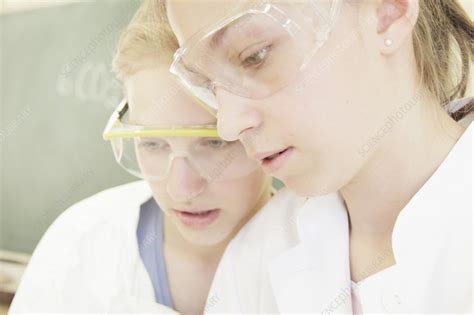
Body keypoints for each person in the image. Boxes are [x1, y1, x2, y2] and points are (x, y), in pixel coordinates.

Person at [165, 0, 473, 313]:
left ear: (388, 12)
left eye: (255, 56)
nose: (228, 125)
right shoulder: (253, 259)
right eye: (208, 84)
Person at [9, 1, 273, 313]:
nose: (181, 190)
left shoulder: (326, 248)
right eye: (152, 143)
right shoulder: (79, 242)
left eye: (214, 143)